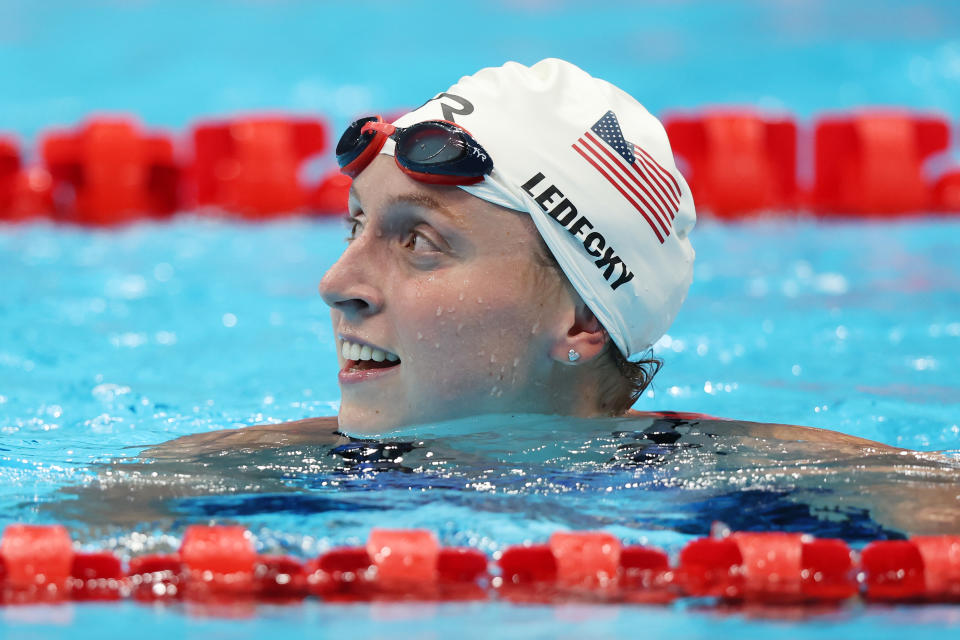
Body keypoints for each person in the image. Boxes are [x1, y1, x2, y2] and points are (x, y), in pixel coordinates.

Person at [142, 60, 958, 535]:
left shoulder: (781, 481)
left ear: (576, 321)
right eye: (354, 227)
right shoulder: (212, 476)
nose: (337, 285)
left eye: (418, 241)